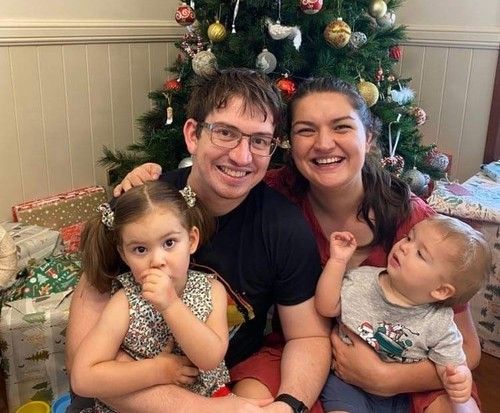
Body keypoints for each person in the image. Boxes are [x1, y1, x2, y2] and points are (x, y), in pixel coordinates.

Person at [66, 68, 331, 413]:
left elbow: (308, 336)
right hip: (131, 395)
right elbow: (84, 364)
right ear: (193, 134)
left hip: (225, 382)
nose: (242, 156)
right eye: (225, 133)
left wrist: (288, 406)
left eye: (259, 140)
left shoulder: (284, 227)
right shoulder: (139, 209)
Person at [264, 76, 484, 413]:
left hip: (407, 366)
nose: (324, 143)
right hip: (305, 357)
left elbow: (468, 349)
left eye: (341, 127)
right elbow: (211, 191)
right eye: (306, 130)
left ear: (368, 138)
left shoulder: (416, 223)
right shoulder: (272, 195)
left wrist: (387, 378)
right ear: (290, 144)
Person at [70, 181, 231, 412]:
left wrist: (171, 305)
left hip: (206, 403)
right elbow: (83, 378)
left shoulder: (212, 290)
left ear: (192, 240)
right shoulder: (125, 302)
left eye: (169, 243)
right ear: (123, 254)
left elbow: (210, 358)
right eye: (140, 249)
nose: (157, 260)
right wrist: (159, 371)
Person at [315, 214, 491, 413]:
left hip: (404, 393)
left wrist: (458, 377)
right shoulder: (360, 281)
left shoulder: (439, 322)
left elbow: (450, 363)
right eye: (408, 237)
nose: (404, 247)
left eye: (420, 254)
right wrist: (337, 262)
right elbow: (326, 306)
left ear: (441, 291)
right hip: (348, 386)